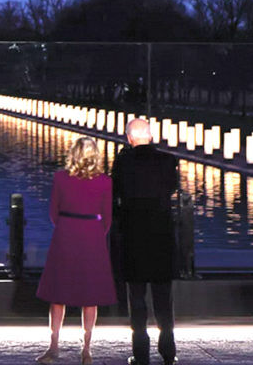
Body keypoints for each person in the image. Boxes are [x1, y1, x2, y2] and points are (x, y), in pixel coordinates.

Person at [35, 136, 118, 365]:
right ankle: (87, 349)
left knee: (57, 293)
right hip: (92, 234)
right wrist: (93, 234)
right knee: (90, 295)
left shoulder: (61, 178)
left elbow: (53, 211)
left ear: (73, 153)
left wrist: (66, 228)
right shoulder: (104, 181)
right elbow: (107, 218)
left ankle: (53, 347)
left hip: (66, 232)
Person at [112, 118, 179, 365]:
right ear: (151, 136)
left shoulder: (123, 161)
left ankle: (141, 353)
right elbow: (171, 189)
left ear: (129, 138)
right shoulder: (168, 161)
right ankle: (168, 351)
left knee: (137, 299)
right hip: (161, 236)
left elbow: (115, 191)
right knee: (164, 298)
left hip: (134, 235)